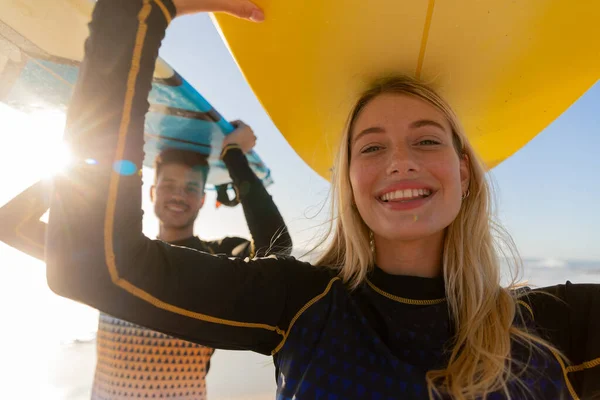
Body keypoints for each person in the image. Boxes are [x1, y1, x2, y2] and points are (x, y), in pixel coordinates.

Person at [44, 0, 600, 399]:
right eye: (372, 147)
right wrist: (136, 11)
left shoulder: (551, 328)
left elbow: (273, 240)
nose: (400, 161)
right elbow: (87, 263)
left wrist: (237, 160)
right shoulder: (303, 305)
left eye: (427, 140)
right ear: (350, 183)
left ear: (465, 171)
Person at [0, 128, 291, 399]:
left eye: (191, 187)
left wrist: (233, 155)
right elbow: (11, 225)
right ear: (152, 192)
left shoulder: (217, 259)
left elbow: (276, 249)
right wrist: (78, 165)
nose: (179, 194)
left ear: (203, 199)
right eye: (169, 185)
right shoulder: (113, 255)